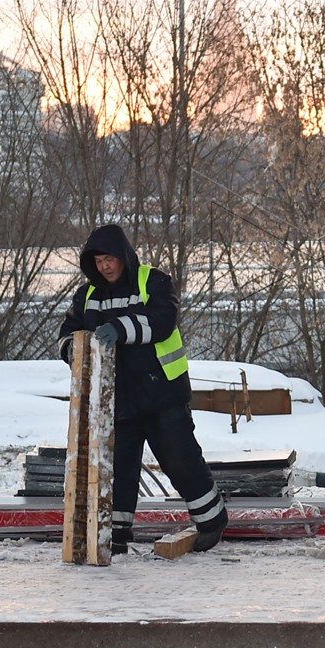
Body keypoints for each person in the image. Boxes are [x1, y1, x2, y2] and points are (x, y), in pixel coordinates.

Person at [58, 224, 227, 555]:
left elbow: (164, 320)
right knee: (118, 466)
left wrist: (120, 328)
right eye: (99, 261)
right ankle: (116, 533)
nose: (105, 266)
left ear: (123, 256)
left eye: (110, 259)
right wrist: (74, 349)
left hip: (161, 392)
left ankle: (211, 519)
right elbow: (67, 334)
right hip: (116, 397)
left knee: (180, 458)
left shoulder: (153, 281)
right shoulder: (87, 296)